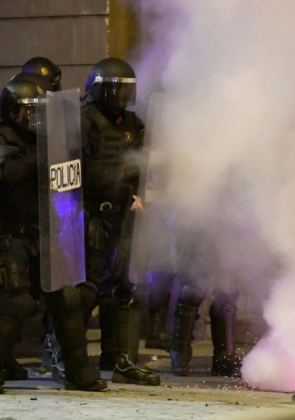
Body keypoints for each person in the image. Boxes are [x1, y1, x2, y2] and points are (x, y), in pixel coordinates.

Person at [0, 75, 107, 394]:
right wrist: (45, 155)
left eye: (39, 112)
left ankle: (78, 372)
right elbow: (7, 170)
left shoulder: (48, 140)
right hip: (10, 236)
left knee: (67, 300)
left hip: (47, 232)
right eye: (27, 112)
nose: (34, 119)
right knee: (14, 304)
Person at [79, 57, 160, 386]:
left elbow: (147, 163)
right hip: (93, 217)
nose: (121, 96)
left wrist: (144, 192)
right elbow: (79, 171)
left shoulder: (132, 123)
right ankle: (65, 354)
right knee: (86, 289)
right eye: (114, 89)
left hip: (125, 218)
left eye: (126, 90)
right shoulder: (85, 121)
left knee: (124, 288)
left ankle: (120, 359)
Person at [168, 227, 242, 377]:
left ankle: (225, 357)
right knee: (192, 290)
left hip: (227, 224)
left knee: (227, 292)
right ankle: (179, 353)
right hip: (195, 225)